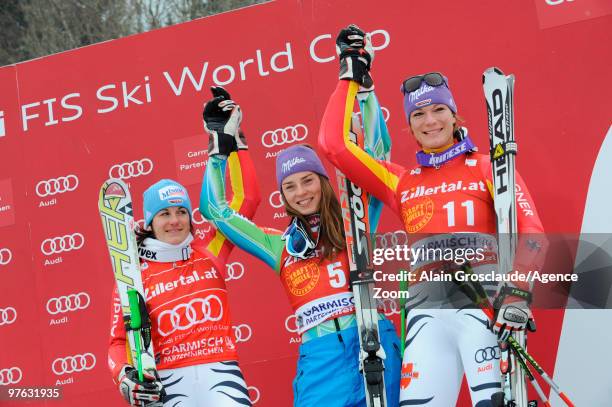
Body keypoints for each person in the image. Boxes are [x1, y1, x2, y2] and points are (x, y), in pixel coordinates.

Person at [318, 25, 548, 407]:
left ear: (455, 116)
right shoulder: (400, 181)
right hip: (426, 317)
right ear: (409, 126)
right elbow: (334, 145)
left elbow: (533, 232)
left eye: (439, 110)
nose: (430, 121)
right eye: (419, 114)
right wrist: (349, 75)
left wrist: (519, 293)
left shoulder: (488, 166)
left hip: (484, 309)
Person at [199, 94, 401, 405]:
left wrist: (366, 93)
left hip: (375, 344)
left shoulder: (356, 217)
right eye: (290, 186)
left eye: (308, 180)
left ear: (323, 181)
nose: (301, 192)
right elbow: (215, 210)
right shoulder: (278, 245)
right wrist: (218, 149)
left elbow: (377, 158)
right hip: (321, 362)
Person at [107, 90, 260, 406]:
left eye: (181, 212)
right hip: (169, 383)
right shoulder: (133, 272)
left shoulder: (210, 251)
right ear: (149, 222)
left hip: (222, 375)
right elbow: (118, 342)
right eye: (164, 214)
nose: (175, 221)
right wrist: (123, 375)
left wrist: (235, 142)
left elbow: (246, 200)